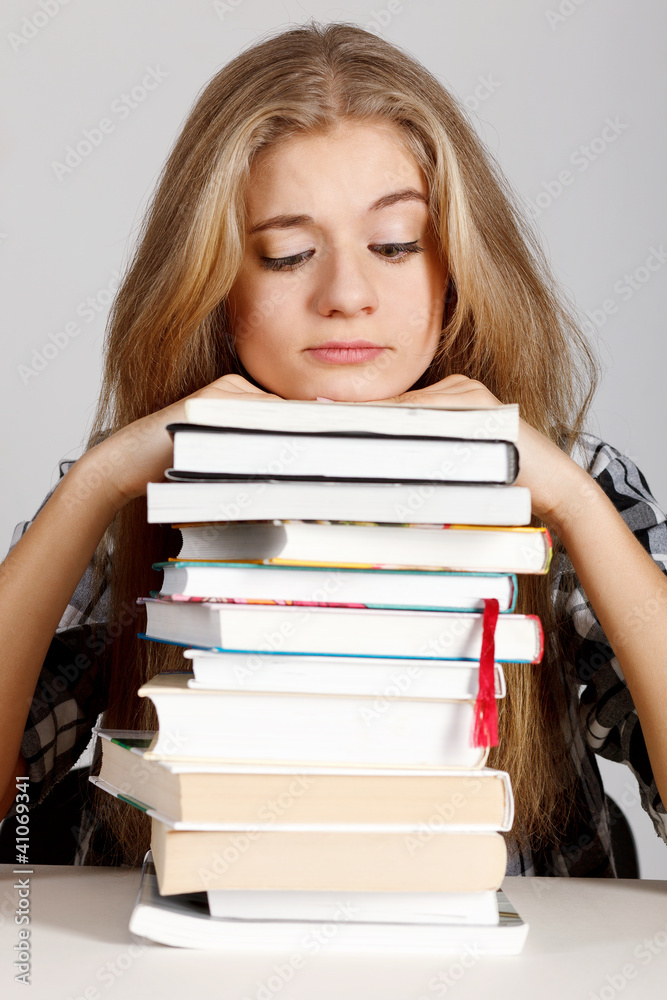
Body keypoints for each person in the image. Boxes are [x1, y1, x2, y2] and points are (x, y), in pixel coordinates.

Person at [1, 22, 666, 876]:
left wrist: (569, 501)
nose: (347, 295)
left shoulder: (575, 484)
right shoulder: (136, 493)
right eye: (286, 255)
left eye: (394, 246)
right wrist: (100, 479)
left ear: (455, 267)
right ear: (213, 284)